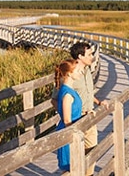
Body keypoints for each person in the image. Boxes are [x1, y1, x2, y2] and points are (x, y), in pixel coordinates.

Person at [51, 42, 108, 175]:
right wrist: (68, 115)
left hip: (89, 117)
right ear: (80, 56)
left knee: (91, 153)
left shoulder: (87, 70)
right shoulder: (69, 74)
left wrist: (98, 102)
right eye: (89, 54)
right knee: (74, 160)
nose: (92, 57)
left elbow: (88, 93)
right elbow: (54, 100)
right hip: (76, 122)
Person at [54, 59, 86, 174]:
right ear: (69, 74)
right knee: (71, 167)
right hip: (69, 134)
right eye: (77, 71)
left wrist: (85, 115)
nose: (80, 72)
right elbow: (67, 120)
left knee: (75, 166)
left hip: (74, 131)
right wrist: (74, 137)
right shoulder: (67, 94)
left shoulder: (70, 90)